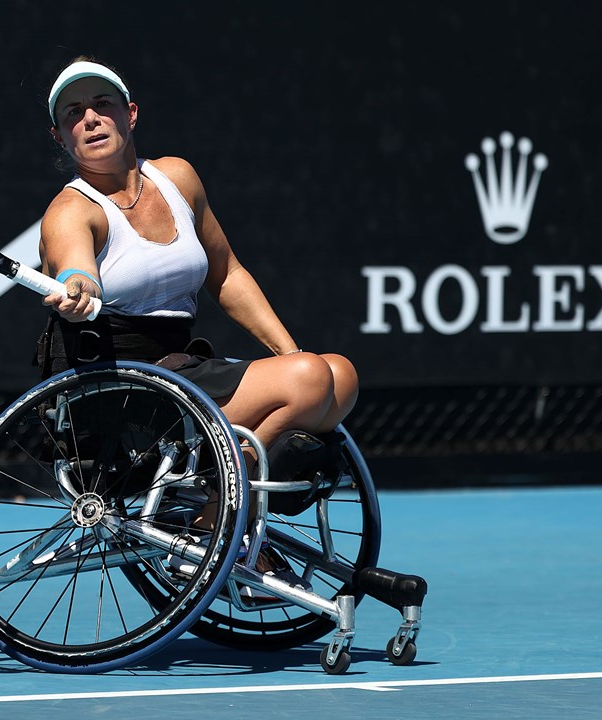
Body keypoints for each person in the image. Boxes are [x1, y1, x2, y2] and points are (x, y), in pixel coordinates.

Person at [35, 57, 359, 529]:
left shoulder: (177, 178)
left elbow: (226, 274)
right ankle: (221, 517)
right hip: (123, 394)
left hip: (182, 373)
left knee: (338, 377)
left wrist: (288, 354)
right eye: (73, 114)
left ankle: (219, 508)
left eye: (103, 104)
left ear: (131, 114)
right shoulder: (69, 211)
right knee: (311, 378)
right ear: (60, 137)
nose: (90, 118)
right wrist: (79, 288)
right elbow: (77, 270)